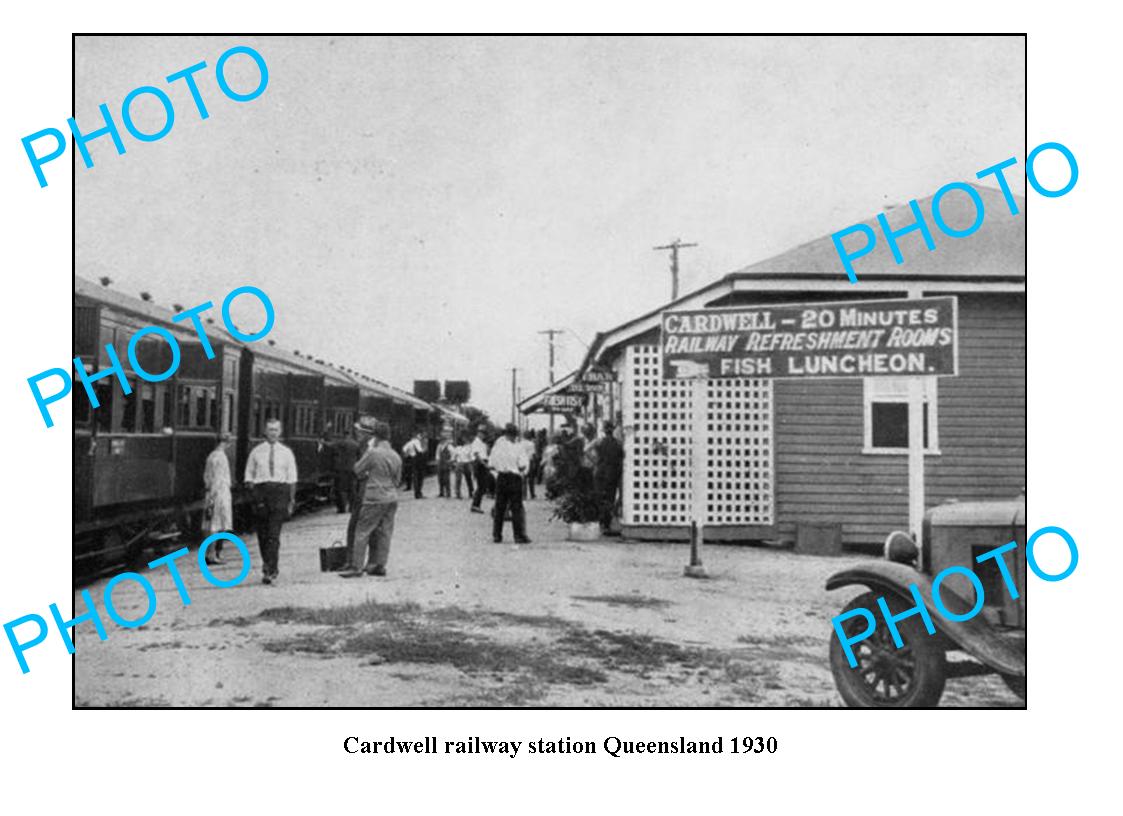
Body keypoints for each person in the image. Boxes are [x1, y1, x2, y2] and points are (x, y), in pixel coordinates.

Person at [340, 420, 402, 578]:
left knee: (362, 530)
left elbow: (357, 469)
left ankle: (356, 566)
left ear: (376, 436)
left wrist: (367, 475)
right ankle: (379, 565)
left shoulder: (373, 453)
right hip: (391, 498)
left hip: (374, 496)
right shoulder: (396, 455)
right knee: (385, 532)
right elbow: (397, 481)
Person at [244, 419, 297, 584]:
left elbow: (292, 478)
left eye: (276, 430)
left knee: (274, 534)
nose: (273, 433)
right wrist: (254, 494)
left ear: (280, 432)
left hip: (280, 492)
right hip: (262, 491)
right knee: (263, 534)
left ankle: (270, 569)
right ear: (265, 432)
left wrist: (291, 500)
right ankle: (268, 563)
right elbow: (248, 475)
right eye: (270, 430)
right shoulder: (256, 452)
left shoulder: (286, 452)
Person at [488, 423, 531, 543]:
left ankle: (497, 535)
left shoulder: (497, 447)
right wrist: (521, 472)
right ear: (515, 435)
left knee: (499, 507)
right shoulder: (518, 447)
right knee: (516, 508)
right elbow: (523, 465)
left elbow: (491, 463)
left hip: (501, 477)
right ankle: (518, 536)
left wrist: (498, 473)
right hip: (514, 478)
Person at [342, 420, 375, 566]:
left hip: (366, 491)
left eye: (360, 431)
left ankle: (352, 561)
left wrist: (362, 473)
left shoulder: (371, 448)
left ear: (367, 434)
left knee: (355, 526)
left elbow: (359, 469)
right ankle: (367, 562)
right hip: (363, 489)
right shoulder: (365, 445)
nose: (358, 434)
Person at [202, 433, 234, 565]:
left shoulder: (212, 455)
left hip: (211, 492)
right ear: (226, 443)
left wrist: (209, 493)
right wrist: (214, 496)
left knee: (210, 524)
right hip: (220, 493)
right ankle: (212, 554)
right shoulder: (221, 457)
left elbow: (207, 477)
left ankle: (209, 553)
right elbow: (219, 479)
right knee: (217, 524)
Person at [594, 421, 625, 533]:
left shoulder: (599, 442)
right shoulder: (618, 444)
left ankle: (602, 522)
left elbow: (590, 453)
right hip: (613, 475)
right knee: (610, 499)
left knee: (600, 498)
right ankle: (607, 523)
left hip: (601, 474)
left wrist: (596, 464)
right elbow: (622, 458)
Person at [332, 427, 361, 513]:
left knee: (341, 489)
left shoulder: (340, 443)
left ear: (343, 434)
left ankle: (342, 508)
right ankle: (352, 508)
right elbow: (360, 457)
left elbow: (331, 446)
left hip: (341, 469)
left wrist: (322, 442)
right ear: (350, 434)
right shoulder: (356, 444)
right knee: (352, 489)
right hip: (352, 469)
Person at [468, 427, 491, 514]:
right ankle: (475, 505)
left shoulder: (482, 443)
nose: (483, 435)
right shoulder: (476, 442)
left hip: (483, 463)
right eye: (482, 433)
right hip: (479, 464)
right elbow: (477, 455)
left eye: (484, 434)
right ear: (478, 433)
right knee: (481, 486)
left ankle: (476, 504)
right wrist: (484, 464)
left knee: (483, 486)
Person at [402, 431, 426, 498]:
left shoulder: (409, 443)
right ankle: (418, 493)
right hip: (418, 460)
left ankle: (416, 493)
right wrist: (424, 449)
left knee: (415, 477)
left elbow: (404, 450)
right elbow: (420, 451)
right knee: (419, 477)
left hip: (412, 460)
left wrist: (407, 455)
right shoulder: (416, 442)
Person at [452, 433, 475, 499]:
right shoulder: (457, 448)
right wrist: (454, 463)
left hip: (467, 463)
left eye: (465, 439)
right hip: (459, 463)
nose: (464, 440)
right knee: (458, 479)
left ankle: (471, 492)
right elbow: (454, 457)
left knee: (469, 479)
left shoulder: (469, 447)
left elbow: (471, 456)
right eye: (462, 439)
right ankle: (458, 493)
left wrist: (471, 463)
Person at [521, 429, 539, 500]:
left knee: (523, 479)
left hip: (522, 462)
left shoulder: (520, 443)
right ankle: (532, 494)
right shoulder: (531, 444)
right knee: (531, 480)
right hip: (529, 461)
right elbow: (533, 454)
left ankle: (524, 495)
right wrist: (535, 463)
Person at [435, 431, 454, 498]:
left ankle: (448, 493)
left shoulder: (449, 446)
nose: (441, 440)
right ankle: (441, 492)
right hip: (440, 463)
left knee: (446, 479)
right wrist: (437, 460)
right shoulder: (439, 446)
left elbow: (453, 454)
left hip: (446, 463)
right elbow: (437, 454)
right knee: (440, 479)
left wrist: (451, 460)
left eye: (442, 439)